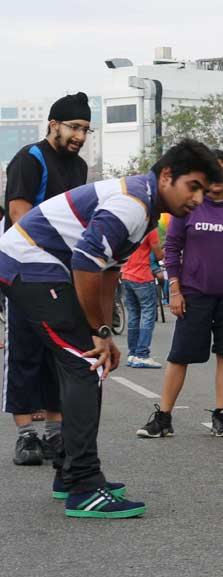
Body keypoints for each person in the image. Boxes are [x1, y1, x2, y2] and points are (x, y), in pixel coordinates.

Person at [0, 138, 223, 517]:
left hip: (42, 267)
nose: (198, 199)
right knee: (85, 365)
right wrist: (96, 335)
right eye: (194, 187)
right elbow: (86, 263)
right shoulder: (132, 204)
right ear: (167, 175)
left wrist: (104, 332)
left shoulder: (145, 204)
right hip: (30, 266)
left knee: (92, 362)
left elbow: (105, 273)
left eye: (206, 191)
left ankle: (70, 475)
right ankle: (84, 485)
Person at [137, 150, 223, 438]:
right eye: (213, 172)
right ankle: (164, 417)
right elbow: (172, 249)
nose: (219, 177)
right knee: (180, 355)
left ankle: (221, 415)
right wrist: (175, 290)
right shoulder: (190, 206)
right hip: (195, 295)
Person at [3, 92, 91, 467]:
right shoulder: (30, 158)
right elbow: (19, 210)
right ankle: (26, 437)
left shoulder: (80, 167)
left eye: (86, 129)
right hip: (24, 267)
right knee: (24, 349)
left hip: (61, 269)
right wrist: (46, 251)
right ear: (53, 124)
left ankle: (56, 434)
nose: (80, 136)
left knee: (60, 352)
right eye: (74, 127)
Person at [120, 228, 164, 368]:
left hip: (126, 274)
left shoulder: (129, 226)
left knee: (133, 315)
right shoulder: (150, 229)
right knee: (147, 314)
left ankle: (132, 354)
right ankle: (142, 354)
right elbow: (158, 255)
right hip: (142, 276)